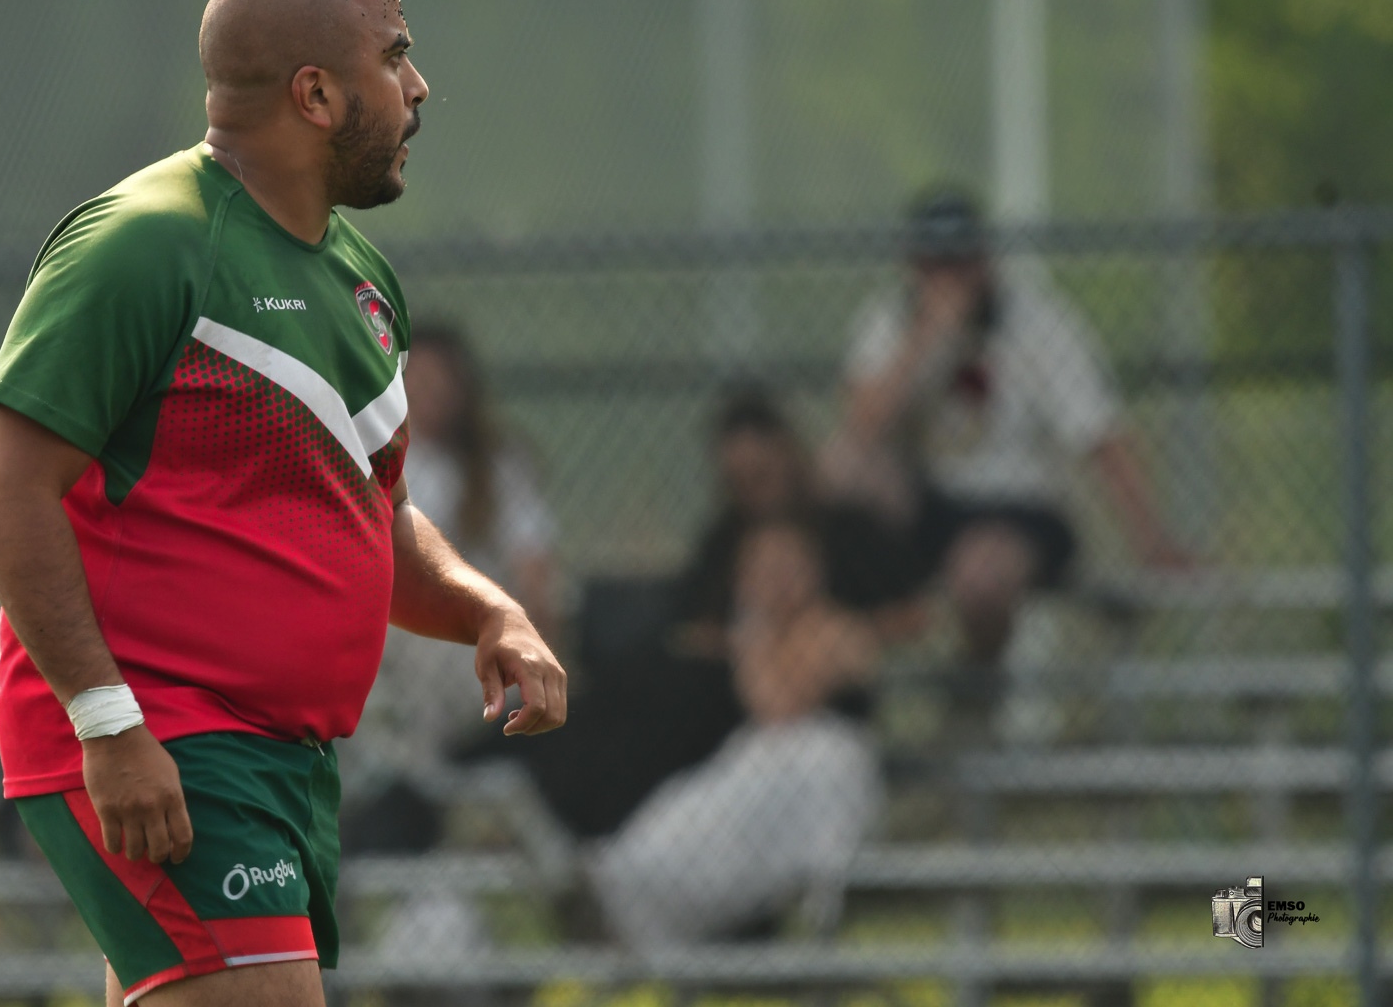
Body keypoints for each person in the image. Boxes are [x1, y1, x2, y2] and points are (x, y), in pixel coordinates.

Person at [0, 0, 566, 1007]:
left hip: (275, 758)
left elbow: (376, 518)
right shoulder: (148, 243)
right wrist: (110, 725)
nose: (419, 88)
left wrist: (487, 609)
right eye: (396, 56)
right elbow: (3, 490)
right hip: (169, 735)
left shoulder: (363, 279)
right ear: (317, 93)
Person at [824, 186, 1187, 678]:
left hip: (1019, 508)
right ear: (913, 265)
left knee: (980, 576)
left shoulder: (1039, 323)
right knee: (839, 464)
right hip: (927, 505)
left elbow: (1101, 437)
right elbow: (861, 426)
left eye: (963, 261)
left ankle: (977, 689)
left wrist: (1153, 542)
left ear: (986, 259)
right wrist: (928, 334)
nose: (952, 277)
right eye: (937, 263)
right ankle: (838, 625)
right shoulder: (890, 320)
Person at [591, 507, 914, 946]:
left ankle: (661, 899)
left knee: (736, 814)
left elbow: (778, 704)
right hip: (760, 763)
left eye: (788, 564)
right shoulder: (760, 639)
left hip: (822, 770)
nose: (776, 579)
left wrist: (747, 632)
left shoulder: (836, 627)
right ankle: (626, 886)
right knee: (685, 811)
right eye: (763, 568)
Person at [344, 324, 558, 952]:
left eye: (444, 384)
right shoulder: (374, 458)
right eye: (418, 383)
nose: (431, 397)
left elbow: (535, 572)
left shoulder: (493, 467)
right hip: (393, 659)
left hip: (471, 653)